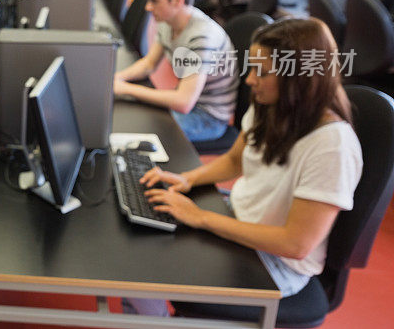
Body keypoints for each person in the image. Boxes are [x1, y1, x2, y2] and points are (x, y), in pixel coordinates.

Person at [141, 18, 362, 302]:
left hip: (277, 263)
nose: (250, 80)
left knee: (152, 268)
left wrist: (201, 217)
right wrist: (188, 179)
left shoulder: (332, 145)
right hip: (239, 214)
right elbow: (236, 160)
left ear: (298, 78)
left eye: (262, 72)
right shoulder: (273, 104)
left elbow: (295, 244)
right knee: (149, 230)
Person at [113, 0, 238, 142]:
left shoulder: (201, 37)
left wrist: (126, 89)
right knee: (134, 114)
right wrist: (117, 78)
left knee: (143, 130)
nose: (148, 7)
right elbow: (149, 64)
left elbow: (184, 102)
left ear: (177, 0)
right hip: (188, 98)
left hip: (208, 117)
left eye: (154, 1)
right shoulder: (167, 22)